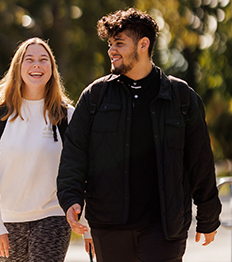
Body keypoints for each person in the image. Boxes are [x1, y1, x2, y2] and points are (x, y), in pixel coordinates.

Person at [57, 7, 222, 262]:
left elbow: (200, 160)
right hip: (109, 225)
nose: (111, 50)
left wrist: (208, 216)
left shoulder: (181, 98)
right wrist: (71, 199)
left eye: (119, 43)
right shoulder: (95, 97)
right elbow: (74, 153)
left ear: (143, 44)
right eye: (110, 43)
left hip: (164, 228)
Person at [0, 37, 91, 261]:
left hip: (53, 215)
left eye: (43, 60)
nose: (36, 65)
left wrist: (86, 223)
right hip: (8, 219)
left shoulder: (67, 115)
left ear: (52, 69)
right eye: (29, 60)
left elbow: (81, 170)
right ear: (18, 68)